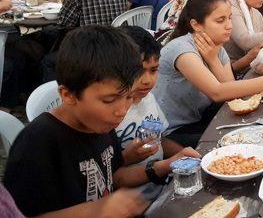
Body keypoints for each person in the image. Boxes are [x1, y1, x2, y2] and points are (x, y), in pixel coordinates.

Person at [3, 25, 201, 217]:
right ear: (68, 95)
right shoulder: (38, 142)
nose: (122, 111)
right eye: (109, 100)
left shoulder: (100, 125)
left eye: (129, 97)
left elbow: (114, 175)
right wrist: (96, 211)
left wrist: (164, 166)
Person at [153, 0, 263, 147]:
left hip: (200, 116)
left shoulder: (215, 44)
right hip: (173, 132)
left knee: (257, 128)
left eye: (230, 18)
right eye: (220, 20)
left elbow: (231, 92)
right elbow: (217, 92)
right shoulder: (182, 48)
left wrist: (213, 60)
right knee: (241, 141)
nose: (229, 26)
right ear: (196, 25)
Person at [115, 26, 184, 201]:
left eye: (153, 70)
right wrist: (126, 158)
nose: (147, 80)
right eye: (138, 71)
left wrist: (186, 154)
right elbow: (109, 174)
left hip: (162, 183)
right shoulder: (113, 114)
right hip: (131, 197)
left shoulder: (148, 99)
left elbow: (160, 140)